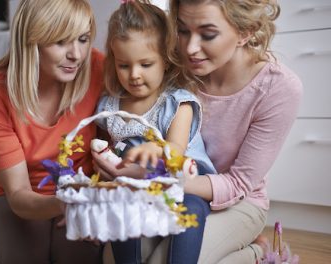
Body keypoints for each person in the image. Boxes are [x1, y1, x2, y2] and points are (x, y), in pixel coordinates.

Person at [93, 0, 303, 263]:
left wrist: (153, 179)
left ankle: (255, 252)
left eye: (208, 34)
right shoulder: (173, 63)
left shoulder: (278, 89)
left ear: (245, 30)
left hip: (237, 200)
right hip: (168, 191)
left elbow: (238, 184)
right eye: (182, 29)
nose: (189, 48)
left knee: (164, 260)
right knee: (113, 258)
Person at [0, 0, 104, 263]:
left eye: (83, 39)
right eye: (60, 42)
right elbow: (19, 194)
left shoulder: (99, 68)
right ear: (30, 42)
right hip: (22, 198)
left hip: (84, 191)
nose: (77, 55)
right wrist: (64, 203)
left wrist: (92, 201)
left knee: (75, 254)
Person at [94, 1, 216, 263]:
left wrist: (156, 147)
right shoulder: (110, 105)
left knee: (191, 209)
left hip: (184, 184)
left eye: (146, 64)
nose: (134, 75)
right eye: (124, 65)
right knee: (118, 204)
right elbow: (107, 149)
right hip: (137, 187)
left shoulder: (177, 103)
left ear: (166, 60)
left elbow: (176, 150)